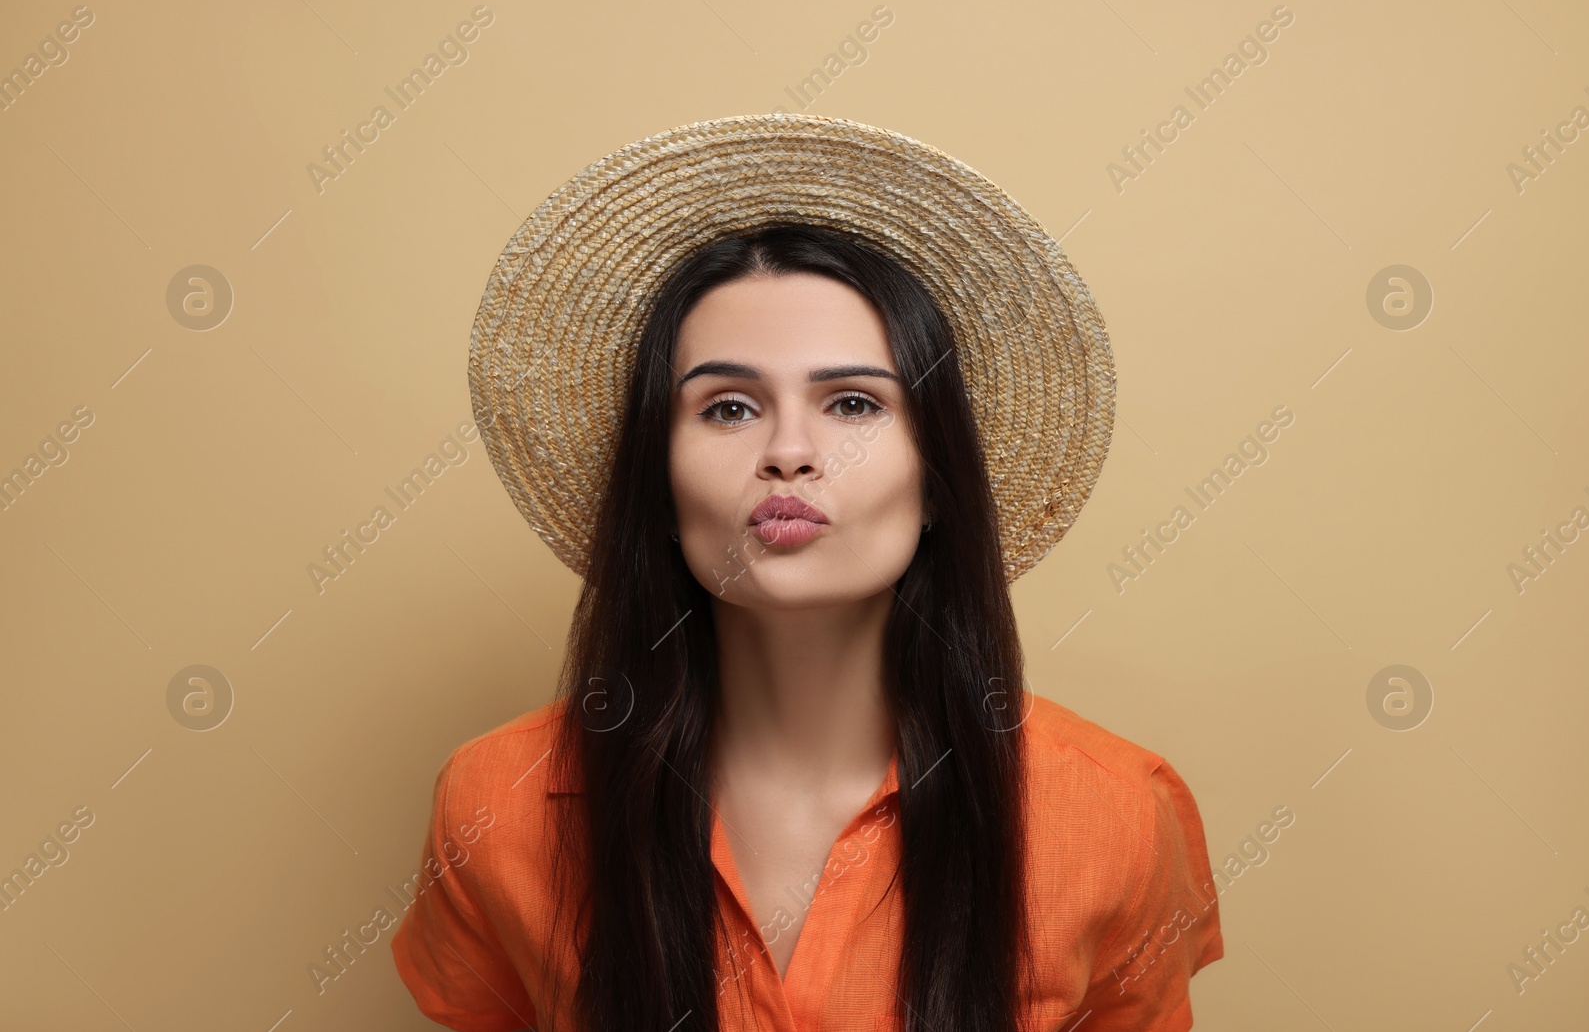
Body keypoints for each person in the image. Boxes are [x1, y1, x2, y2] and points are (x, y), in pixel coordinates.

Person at [391, 116, 1223, 1032]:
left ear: (937, 478)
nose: (789, 452)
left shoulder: (1115, 815)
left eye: (855, 403)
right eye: (730, 407)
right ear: (659, 487)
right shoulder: (492, 803)